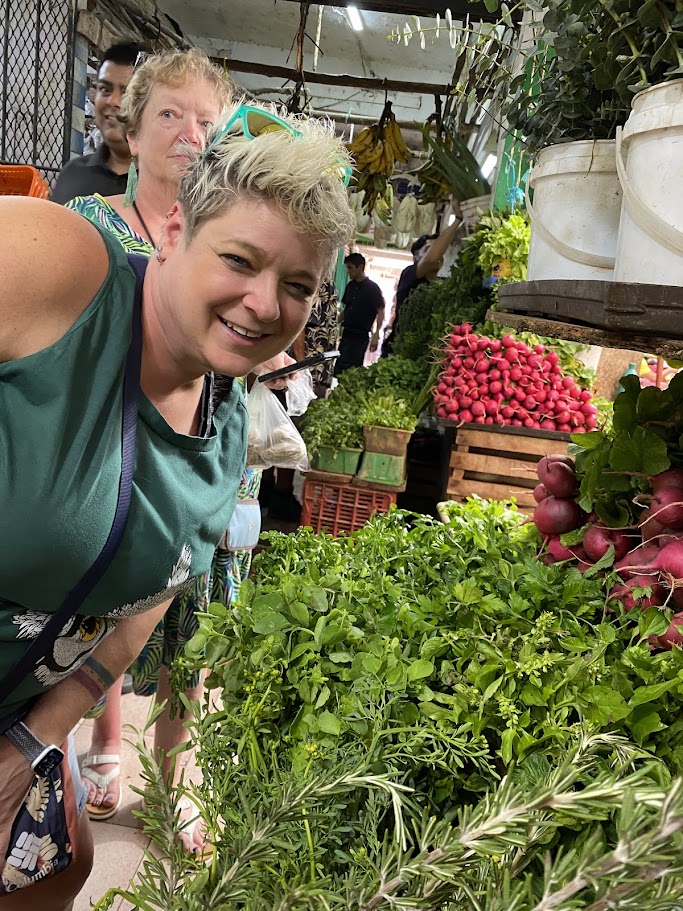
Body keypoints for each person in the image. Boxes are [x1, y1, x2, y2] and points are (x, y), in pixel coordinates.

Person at [0, 99, 354, 908]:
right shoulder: (59, 267)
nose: (264, 302)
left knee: (64, 865)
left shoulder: (223, 427)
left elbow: (145, 602)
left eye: (296, 284)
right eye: (239, 258)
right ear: (172, 231)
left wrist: (33, 741)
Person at [63, 48, 234, 829]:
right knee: (91, 612)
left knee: (188, 624)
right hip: (99, 453)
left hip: (191, 458)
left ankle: (172, 784)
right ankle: (100, 747)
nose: (188, 132)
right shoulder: (89, 224)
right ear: (131, 133)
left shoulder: (226, 234)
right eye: (169, 113)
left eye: (205, 120)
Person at [51, 42, 141, 204]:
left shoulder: (169, 184)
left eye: (127, 92)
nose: (113, 101)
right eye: (105, 89)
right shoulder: (73, 174)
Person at [382, 211, 463, 357]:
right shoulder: (409, 274)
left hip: (426, 353)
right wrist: (458, 219)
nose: (438, 255)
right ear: (415, 258)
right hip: (398, 350)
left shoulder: (442, 284)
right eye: (428, 250)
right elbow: (431, 260)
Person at [334, 253, 385, 375]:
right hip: (346, 334)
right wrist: (333, 323)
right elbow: (347, 310)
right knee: (339, 368)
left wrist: (376, 334)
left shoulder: (372, 288)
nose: (348, 271)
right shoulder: (350, 286)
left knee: (353, 370)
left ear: (360, 267)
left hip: (360, 336)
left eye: (350, 267)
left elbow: (380, 311)